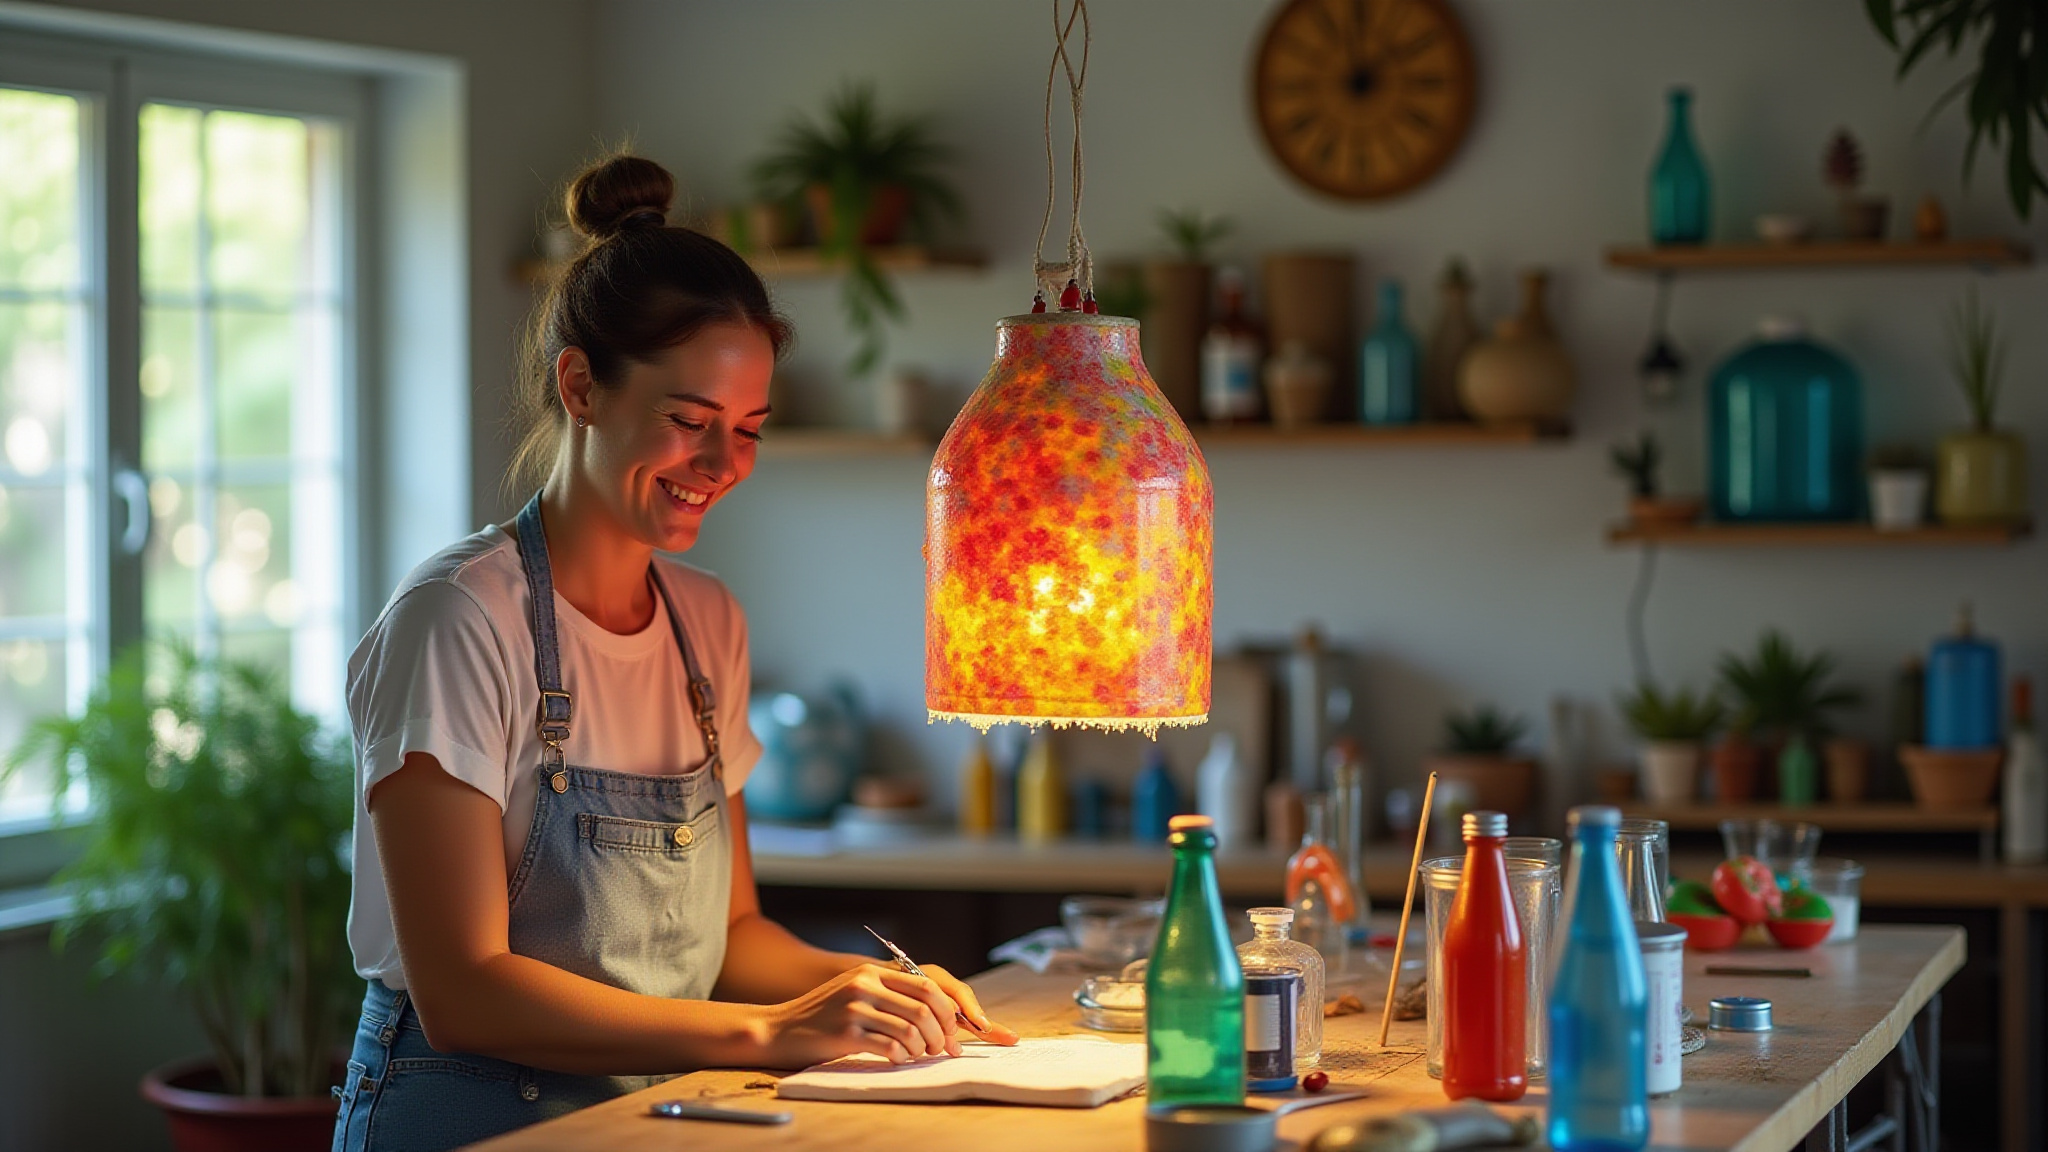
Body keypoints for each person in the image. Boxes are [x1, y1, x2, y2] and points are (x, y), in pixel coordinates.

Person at [333, 154, 1015, 1152]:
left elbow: (733, 940)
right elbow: (462, 994)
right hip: (466, 1117)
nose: (723, 465)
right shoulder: (456, 620)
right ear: (579, 384)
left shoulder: (706, 624)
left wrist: (866, 988)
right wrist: (770, 1032)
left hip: (655, 1117)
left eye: (746, 430)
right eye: (690, 421)